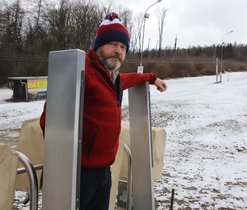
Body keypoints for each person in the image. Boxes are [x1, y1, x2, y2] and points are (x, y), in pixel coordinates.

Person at [39, 12, 167, 210]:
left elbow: (129, 79)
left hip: (104, 170)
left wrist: (151, 78)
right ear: (99, 46)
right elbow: (50, 120)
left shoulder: (113, 78)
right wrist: (64, 162)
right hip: (78, 173)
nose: (118, 51)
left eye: (123, 47)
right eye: (113, 44)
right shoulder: (83, 74)